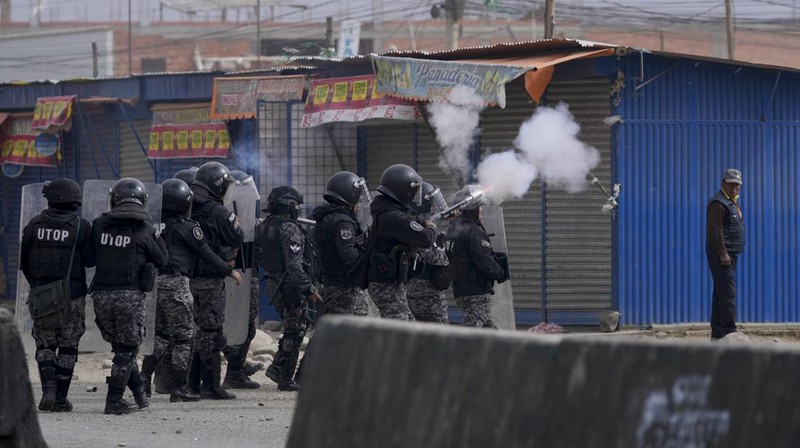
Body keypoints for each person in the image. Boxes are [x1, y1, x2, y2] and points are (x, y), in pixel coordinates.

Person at [139, 179, 241, 402]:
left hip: (154, 284)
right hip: (176, 284)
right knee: (185, 338)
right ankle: (179, 388)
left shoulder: (153, 226)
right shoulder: (188, 227)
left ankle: (143, 379)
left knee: (162, 335)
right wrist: (228, 270)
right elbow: (207, 254)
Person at [90, 178, 169, 415]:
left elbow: (89, 257)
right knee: (127, 349)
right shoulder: (145, 230)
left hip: (101, 295)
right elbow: (162, 260)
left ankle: (139, 397)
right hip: (129, 296)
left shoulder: (98, 225)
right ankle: (114, 401)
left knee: (123, 349)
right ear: (142, 200)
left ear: (114, 199)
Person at [20, 179, 95, 412]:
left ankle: (48, 391)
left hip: (41, 294)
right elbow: (91, 260)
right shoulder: (82, 226)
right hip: (72, 295)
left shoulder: (34, 224)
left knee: (45, 344)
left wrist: (38, 286)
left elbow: (24, 263)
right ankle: (61, 398)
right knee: (69, 346)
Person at [188, 161, 243, 399]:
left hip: (189, 277)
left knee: (198, 330)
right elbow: (237, 236)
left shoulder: (187, 207)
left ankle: (192, 383)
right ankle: (210, 385)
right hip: (211, 277)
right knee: (212, 331)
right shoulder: (217, 211)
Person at [260, 186, 321, 392]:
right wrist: (308, 288)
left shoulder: (266, 226)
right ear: (289, 206)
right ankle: (285, 378)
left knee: (292, 326)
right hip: (289, 286)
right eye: (295, 205)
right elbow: (294, 265)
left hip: (273, 283)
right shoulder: (289, 229)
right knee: (295, 329)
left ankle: (277, 369)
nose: (298, 210)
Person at [367, 164, 436, 320]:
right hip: (386, 284)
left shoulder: (388, 210)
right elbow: (425, 239)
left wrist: (423, 221)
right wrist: (431, 228)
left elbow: (410, 218)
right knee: (399, 331)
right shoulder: (393, 217)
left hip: (389, 282)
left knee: (406, 326)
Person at [222, 169, 264, 390]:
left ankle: (235, 369)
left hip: (246, 276)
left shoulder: (252, 223)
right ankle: (233, 372)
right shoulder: (221, 219)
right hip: (230, 276)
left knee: (246, 327)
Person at [445, 187, 507, 328]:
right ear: (472, 209)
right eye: (479, 207)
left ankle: (501, 350)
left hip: (461, 289)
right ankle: (454, 350)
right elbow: (484, 260)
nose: (481, 210)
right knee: (472, 329)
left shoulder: (453, 229)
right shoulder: (473, 231)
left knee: (488, 330)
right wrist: (500, 272)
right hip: (476, 291)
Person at [311, 171, 369, 316]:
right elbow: (349, 254)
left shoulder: (327, 216)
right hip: (342, 286)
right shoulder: (342, 221)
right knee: (344, 332)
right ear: (350, 195)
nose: (359, 205)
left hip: (333, 282)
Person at [706, 168, 745, 340]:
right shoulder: (718, 203)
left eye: (737, 185)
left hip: (730, 254)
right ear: (723, 183)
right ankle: (729, 330)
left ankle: (717, 332)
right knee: (728, 293)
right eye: (731, 184)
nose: (735, 188)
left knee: (720, 292)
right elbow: (715, 231)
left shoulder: (732, 201)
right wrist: (723, 253)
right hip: (723, 255)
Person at [407, 182, 450, 324]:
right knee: (441, 334)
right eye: (431, 203)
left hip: (415, 289)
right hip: (425, 291)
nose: (434, 208)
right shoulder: (419, 227)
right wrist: (448, 253)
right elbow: (434, 257)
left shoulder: (411, 222)